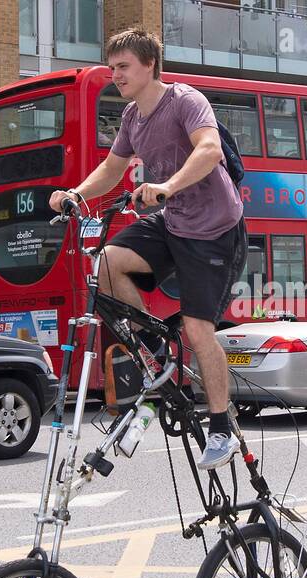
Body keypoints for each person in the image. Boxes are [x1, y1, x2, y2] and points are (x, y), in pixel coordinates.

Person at [48, 27, 248, 469]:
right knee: (105, 265)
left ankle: (220, 427)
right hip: (173, 222)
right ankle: (152, 351)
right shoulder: (132, 119)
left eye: (123, 67)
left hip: (215, 229)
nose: (114, 74)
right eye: (112, 67)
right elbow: (112, 167)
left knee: (198, 332)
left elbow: (210, 150)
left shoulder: (185, 101)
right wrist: (76, 193)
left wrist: (168, 186)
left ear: (148, 65)